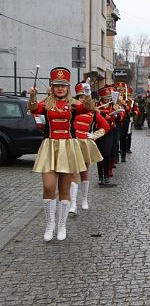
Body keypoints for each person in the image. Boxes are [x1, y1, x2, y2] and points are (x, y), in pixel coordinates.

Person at [27, 67, 93, 241]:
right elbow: (34, 109)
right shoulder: (46, 104)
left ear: (68, 88)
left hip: (68, 148)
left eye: (63, 85)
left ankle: (62, 225)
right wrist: (33, 96)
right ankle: (50, 224)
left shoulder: (73, 105)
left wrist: (87, 94)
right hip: (49, 147)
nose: (60, 88)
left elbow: (88, 108)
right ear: (52, 86)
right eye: (56, 85)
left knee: (64, 188)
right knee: (48, 186)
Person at [69, 81, 110, 214]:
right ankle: (73, 204)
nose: (81, 99)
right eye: (79, 97)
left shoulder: (93, 112)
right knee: (73, 173)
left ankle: (84, 199)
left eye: (84, 96)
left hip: (85, 143)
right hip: (73, 142)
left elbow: (106, 126)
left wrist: (94, 135)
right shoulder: (72, 110)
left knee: (84, 172)